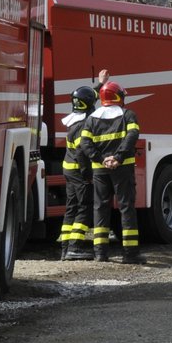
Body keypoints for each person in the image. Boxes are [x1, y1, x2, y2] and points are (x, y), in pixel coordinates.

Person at [83, 79, 142, 263]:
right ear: (118, 97)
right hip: (122, 168)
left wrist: (101, 159)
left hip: (100, 170)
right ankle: (130, 254)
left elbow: (85, 143)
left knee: (100, 208)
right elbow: (132, 136)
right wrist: (118, 157)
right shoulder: (128, 115)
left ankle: (100, 253)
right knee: (126, 208)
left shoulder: (92, 119)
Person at [58, 84, 98, 261]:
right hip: (78, 172)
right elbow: (82, 153)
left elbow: (87, 97)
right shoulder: (83, 125)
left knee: (71, 207)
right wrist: (88, 175)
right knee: (84, 207)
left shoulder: (73, 121)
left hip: (68, 169)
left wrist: (100, 83)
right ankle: (75, 247)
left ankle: (65, 248)